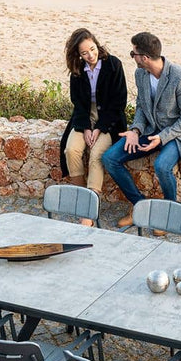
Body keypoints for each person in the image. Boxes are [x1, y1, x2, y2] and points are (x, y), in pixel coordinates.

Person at [102, 32, 181, 229]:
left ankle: (169, 214)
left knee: (162, 166)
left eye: (133, 54)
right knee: (109, 158)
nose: (132, 57)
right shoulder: (140, 74)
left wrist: (162, 137)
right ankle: (140, 206)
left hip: (177, 134)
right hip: (149, 129)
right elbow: (141, 105)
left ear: (145, 57)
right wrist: (135, 130)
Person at [59, 28, 127, 224]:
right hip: (84, 118)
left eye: (92, 49)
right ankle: (82, 199)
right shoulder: (77, 70)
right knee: (71, 150)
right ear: (78, 55)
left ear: (97, 44)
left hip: (108, 120)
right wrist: (86, 128)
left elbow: (119, 102)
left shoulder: (113, 64)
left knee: (97, 154)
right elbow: (77, 103)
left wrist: (98, 128)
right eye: (84, 53)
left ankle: (89, 211)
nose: (90, 55)